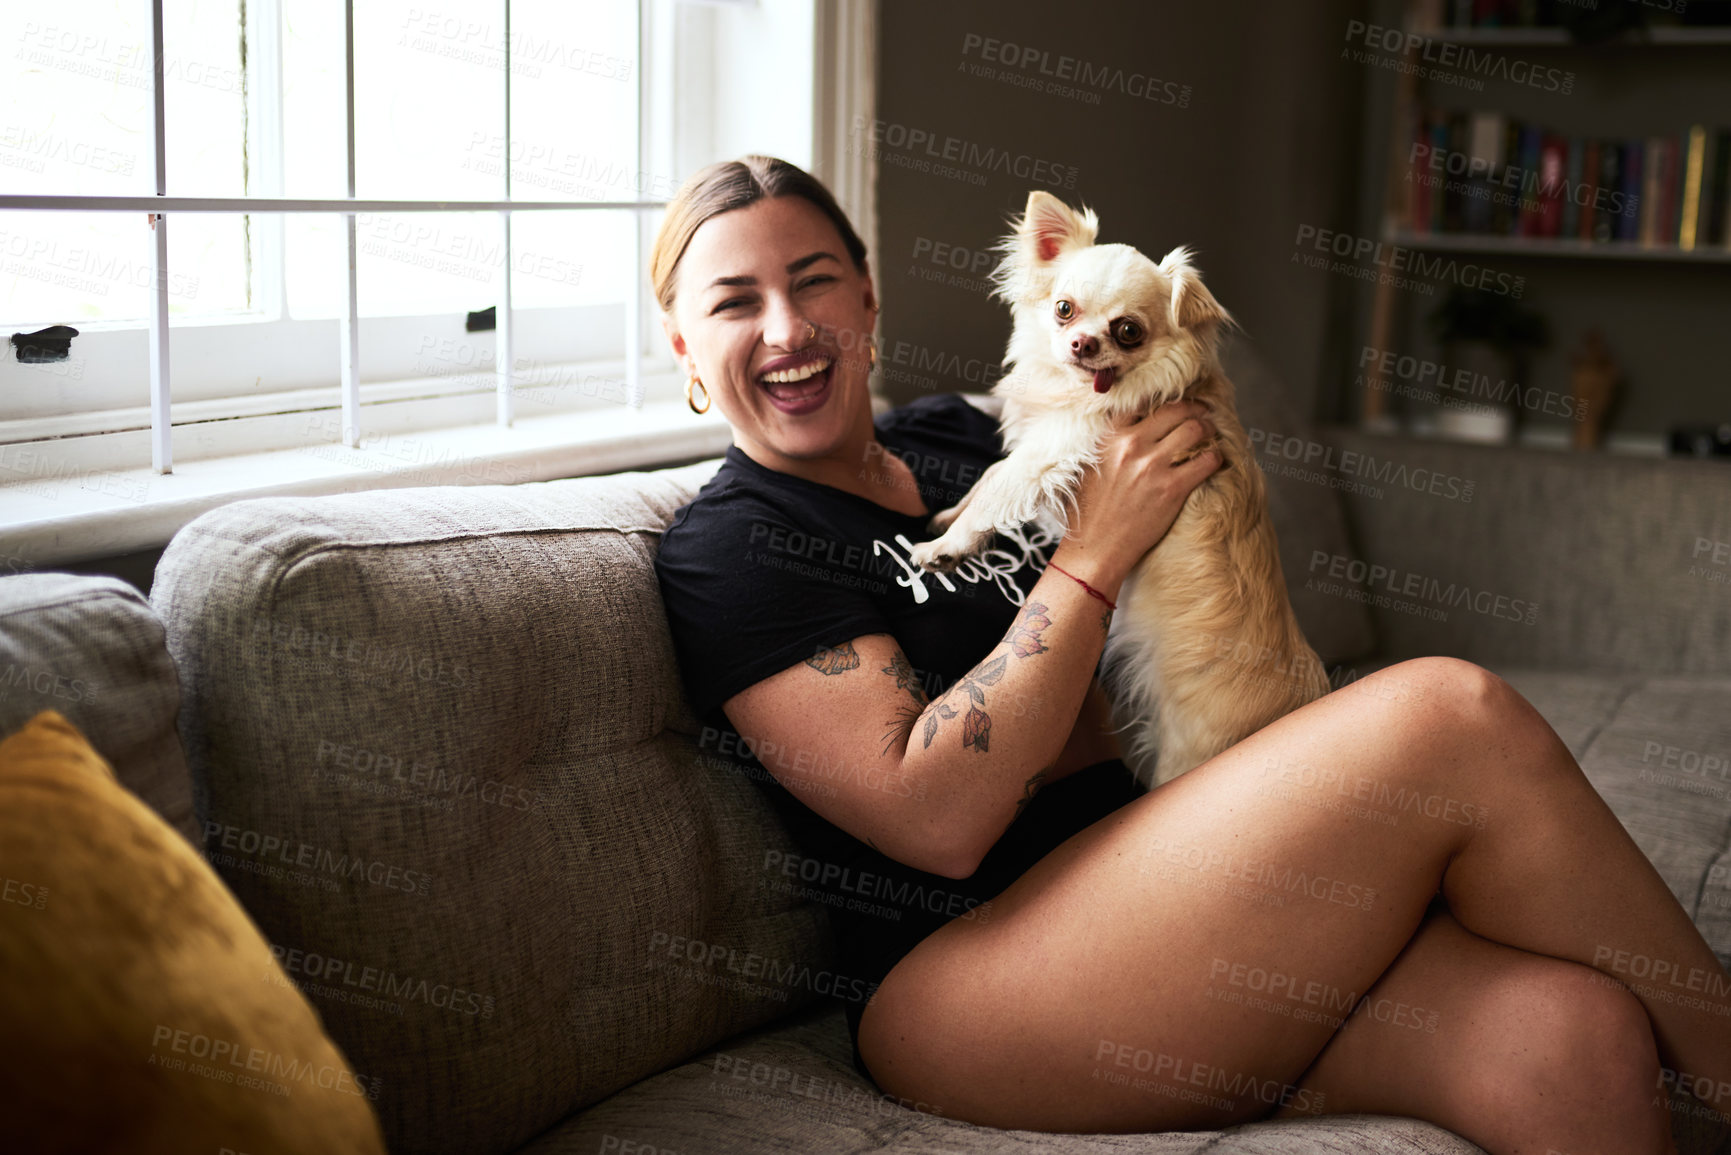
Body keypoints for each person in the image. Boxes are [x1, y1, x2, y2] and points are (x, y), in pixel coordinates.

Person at [650, 155, 1731, 1155]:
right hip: (971, 984)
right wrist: (1094, 554)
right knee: (1451, 712)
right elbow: (938, 816)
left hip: (1186, 889)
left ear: (869, 299)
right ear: (684, 345)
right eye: (735, 304)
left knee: (1576, 1039)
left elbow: (1167, 633)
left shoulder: (963, 438)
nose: (788, 329)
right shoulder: (734, 545)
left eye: (816, 282)